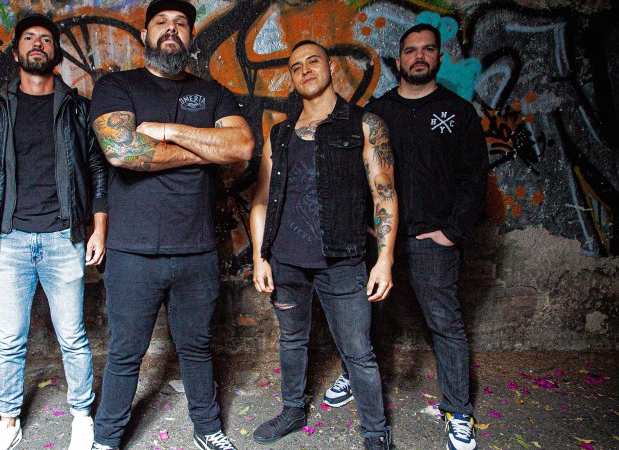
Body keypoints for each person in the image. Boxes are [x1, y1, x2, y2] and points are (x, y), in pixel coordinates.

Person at [86, 1, 254, 448]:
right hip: (132, 251)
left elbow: (241, 146)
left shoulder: (212, 92)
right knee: (126, 353)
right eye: (161, 23)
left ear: (190, 36)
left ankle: (208, 430)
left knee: (196, 348)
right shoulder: (117, 86)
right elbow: (122, 151)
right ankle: (106, 439)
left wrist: (168, 130)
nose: (171, 29)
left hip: (196, 250)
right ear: (145, 35)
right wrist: (203, 151)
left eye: (181, 24)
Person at [321, 23, 489, 450]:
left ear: (439, 58)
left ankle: (458, 412)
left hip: (431, 240)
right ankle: (352, 375)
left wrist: (451, 231)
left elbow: (475, 179)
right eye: (411, 50)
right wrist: (365, 224)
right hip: (380, 240)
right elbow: (359, 174)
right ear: (399, 61)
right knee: (362, 317)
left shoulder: (458, 112)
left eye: (427, 49)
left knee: (445, 325)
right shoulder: (377, 112)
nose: (419, 56)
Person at [0, 13, 108, 450]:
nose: (37, 45)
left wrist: (98, 228)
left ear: (55, 52)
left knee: (73, 337)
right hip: (8, 240)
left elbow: (97, 169)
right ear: (16, 52)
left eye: (46, 39)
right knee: (9, 339)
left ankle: (81, 416)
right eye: (29, 38)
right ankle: (8, 420)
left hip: (64, 238)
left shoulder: (77, 108)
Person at [248, 40, 397, 450]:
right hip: (286, 261)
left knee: (358, 351)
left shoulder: (364, 124)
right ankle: (293, 410)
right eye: (296, 66)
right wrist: (261, 257)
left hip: (342, 260)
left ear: (330, 65)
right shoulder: (280, 134)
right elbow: (261, 200)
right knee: (292, 341)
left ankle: (375, 434)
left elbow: (383, 193)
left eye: (313, 61)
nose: (305, 70)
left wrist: (384, 259)